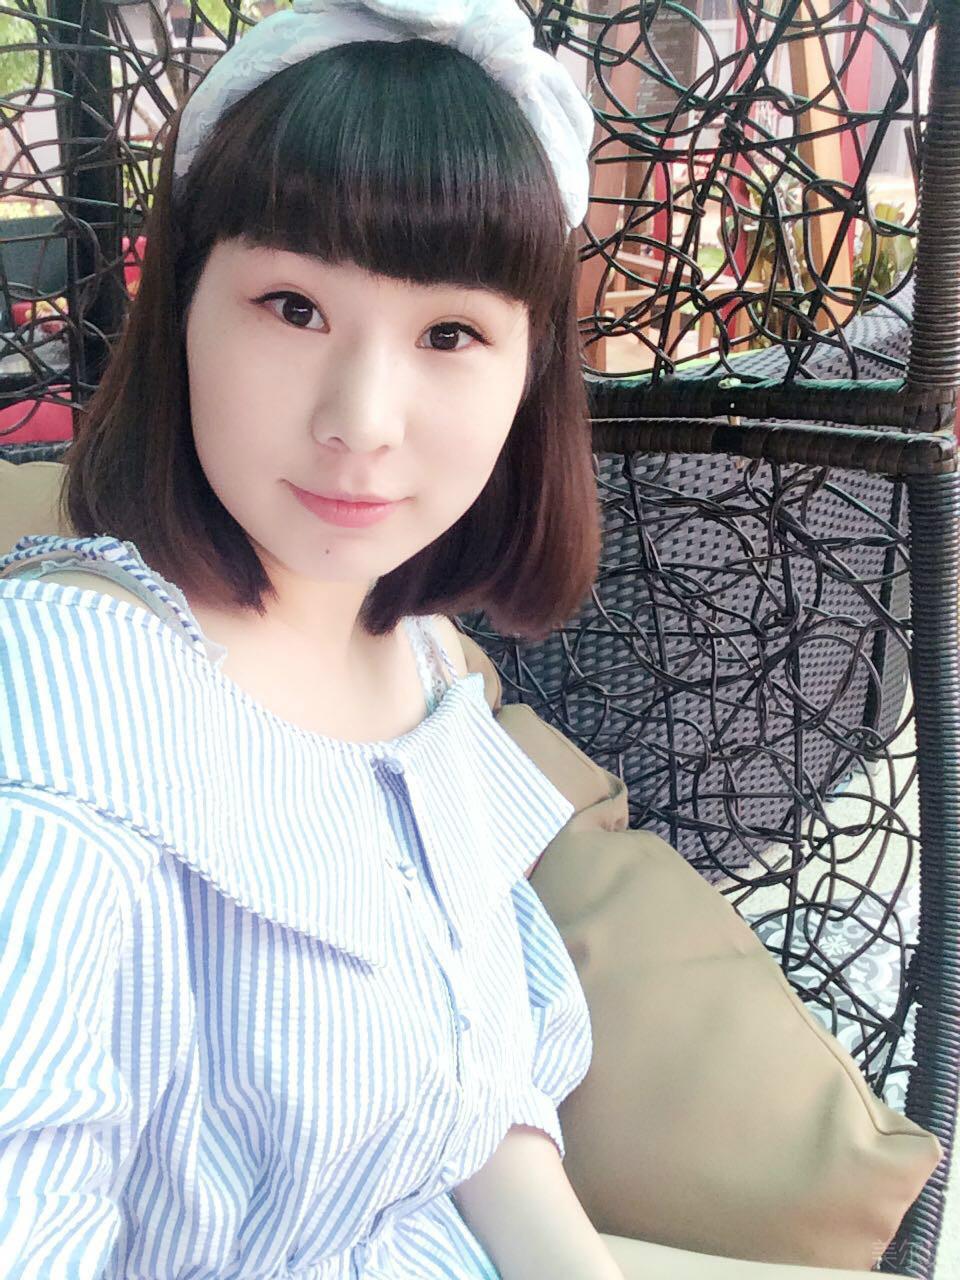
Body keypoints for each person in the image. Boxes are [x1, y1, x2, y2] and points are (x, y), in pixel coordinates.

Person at [0, 3, 914, 1278]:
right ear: (181, 313)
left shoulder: (421, 660)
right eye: (291, 306)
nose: (362, 419)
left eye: (449, 334)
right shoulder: (66, 716)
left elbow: (484, 1109)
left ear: (528, 372)